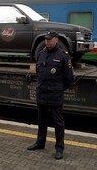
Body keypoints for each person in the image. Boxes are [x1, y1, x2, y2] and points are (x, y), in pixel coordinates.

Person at [27, 31, 74, 160]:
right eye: (46, 39)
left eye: (50, 39)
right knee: (41, 120)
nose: (47, 41)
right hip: (42, 93)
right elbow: (39, 72)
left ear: (56, 40)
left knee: (58, 123)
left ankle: (59, 148)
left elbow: (69, 79)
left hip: (55, 95)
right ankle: (40, 143)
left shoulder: (63, 56)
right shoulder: (41, 53)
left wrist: (57, 89)